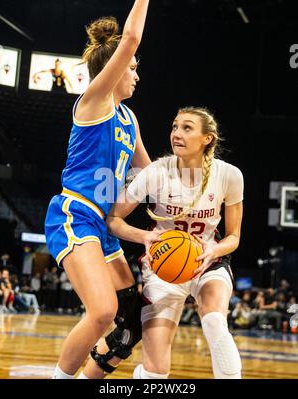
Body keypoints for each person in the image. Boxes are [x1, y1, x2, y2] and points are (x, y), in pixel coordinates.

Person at [44, 0, 151, 379]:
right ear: (114, 69)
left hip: (103, 226)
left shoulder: (129, 117)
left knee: (130, 324)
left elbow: (148, 175)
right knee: (103, 310)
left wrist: (182, 211)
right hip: (75, 215)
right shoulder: (94, 102)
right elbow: (133, 36)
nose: (137, 75)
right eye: (132, 68)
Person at [103, 106, 244, 379]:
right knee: (156, 370)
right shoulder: (155, 172)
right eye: (174, 127)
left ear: (208, 139)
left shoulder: (229, 175)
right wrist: (144, 236)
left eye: (187, 128)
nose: (176, 133)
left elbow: (233, 237)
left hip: (209, 261)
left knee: (215, 320)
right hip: (163, 266)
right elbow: (113, 220)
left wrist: (214, 248)